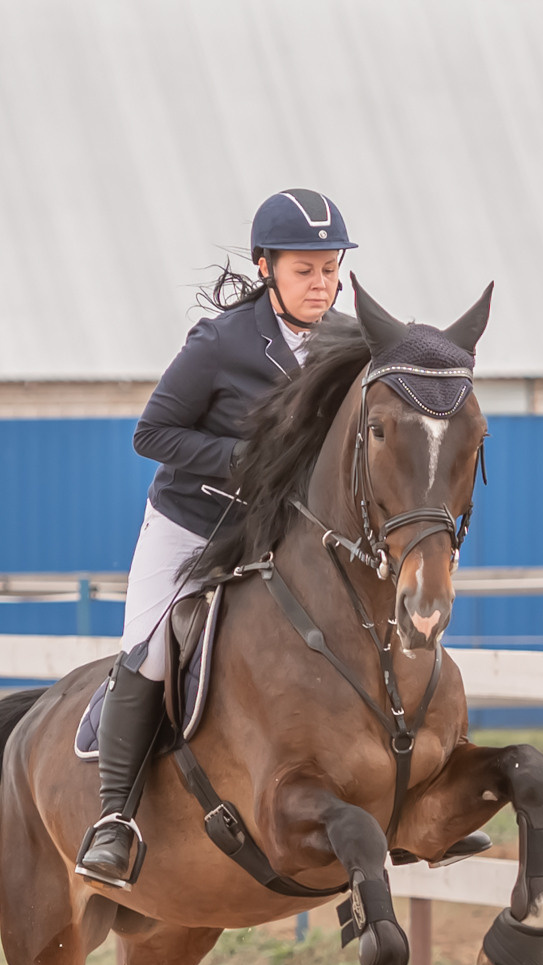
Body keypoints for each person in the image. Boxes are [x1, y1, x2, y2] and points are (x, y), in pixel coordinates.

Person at [79, 190, 359, 887]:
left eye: (330, 268)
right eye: (305, 270)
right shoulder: (221, 343)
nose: (321, 283)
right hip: (194, 526)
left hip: (282, 535)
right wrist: (241, 461)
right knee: (148, 650)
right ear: (266, 268)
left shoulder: (352, 342)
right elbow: (152, 434)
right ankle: (115, 817)